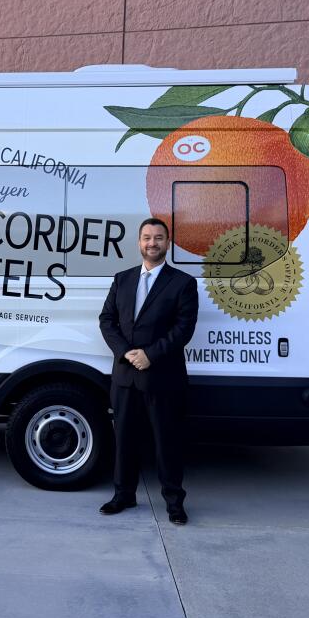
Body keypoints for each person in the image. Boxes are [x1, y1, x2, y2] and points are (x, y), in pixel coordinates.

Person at [98, 217, 199, 525]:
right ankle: (123, 495)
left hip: (163, 377)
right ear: (139, 242)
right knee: (125, 439)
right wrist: (125, 352)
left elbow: (184, 328)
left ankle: (174, 503)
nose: (152, 243)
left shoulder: (183, 283)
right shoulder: (122, 278)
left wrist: (151, 355)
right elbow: (107, 320)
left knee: (167, 441)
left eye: (158, 238)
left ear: (167, 243)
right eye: (146, 238)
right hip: (126, 376)